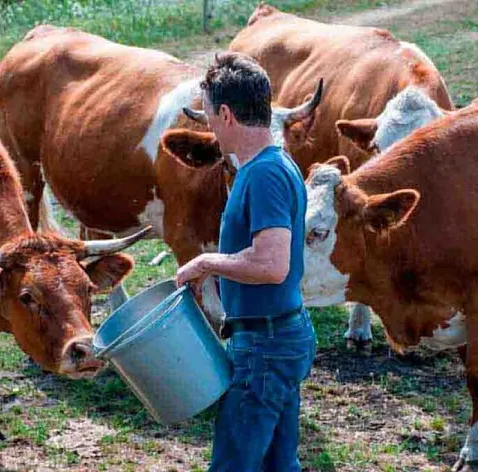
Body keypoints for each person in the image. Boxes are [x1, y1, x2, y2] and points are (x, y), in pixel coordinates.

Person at [175, 52, 317, 472]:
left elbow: (272, 265)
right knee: (278, 464)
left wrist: (208, 262)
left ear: (227, 114)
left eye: (209, 117)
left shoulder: (263, 175)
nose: (209, 128)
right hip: (276, 337)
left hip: (265, 346)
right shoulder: (276, 166)